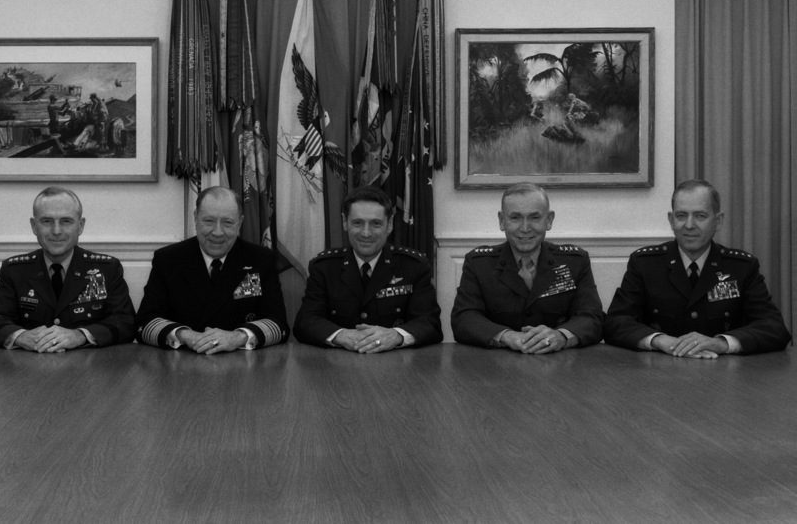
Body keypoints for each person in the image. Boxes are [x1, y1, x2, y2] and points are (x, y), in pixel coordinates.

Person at [604, 180, 792, 357]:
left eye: (700, 216)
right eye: (681, 215)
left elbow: (773, 328)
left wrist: (721, 343)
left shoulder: (741, 268)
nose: (689, 225)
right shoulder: (645, 263)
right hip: (658, 375)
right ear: (671, 220)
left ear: (718, 221)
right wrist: (659, 340)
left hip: (725, 377)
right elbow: (615, 322)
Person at [451, 182, 603, 352]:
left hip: (560, 365)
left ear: (549, 220)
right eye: (515, 218)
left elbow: (592, 317)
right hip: (495, 367)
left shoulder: (574, 261)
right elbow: (464, 318)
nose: (525, 228)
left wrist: (561, 337)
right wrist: (508, 336)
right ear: (502, 221)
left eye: (534, 217)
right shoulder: (479, 263)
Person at [136, 186, 288, 353]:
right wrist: (186, 336)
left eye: (227, 222)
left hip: (241, 364)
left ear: (240, 223)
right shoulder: (168, 260)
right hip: (183, 362)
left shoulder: (261, 260)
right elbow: (145, 323)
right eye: (209, 221)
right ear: (196, 218)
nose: (217, 232)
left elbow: (278, 324)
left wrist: (238, 337)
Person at [0, 186, 135, 352]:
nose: (56, 231)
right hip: (29, 367)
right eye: (46, 221)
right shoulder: (15, 270)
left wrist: (80, 335)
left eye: (66, 221)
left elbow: (125, 322)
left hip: (90, 369)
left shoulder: (106, 269)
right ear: (34, 226)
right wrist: (21, 337)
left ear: (81, 226)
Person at [294, 186, 442, 351]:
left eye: (376, 224)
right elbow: (305, 322)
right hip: (337, 365)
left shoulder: (413, 266)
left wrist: (396, 336)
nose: (366, 233)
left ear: (390, 224)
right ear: (344, 222)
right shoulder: (324, 267)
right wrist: (341, 335)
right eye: (357, 223)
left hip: (397, 365)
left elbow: (430, 323)